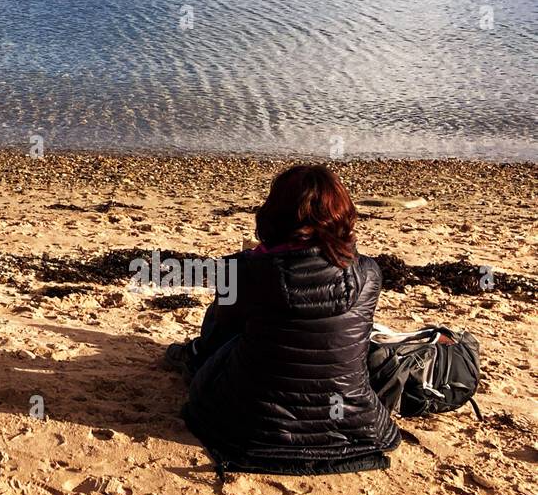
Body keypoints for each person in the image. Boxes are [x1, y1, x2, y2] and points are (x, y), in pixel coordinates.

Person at [166, 164, 400, 474]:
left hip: (251, 427)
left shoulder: (242, 270)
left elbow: (224, 328)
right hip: (349, 422)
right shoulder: (368, 273)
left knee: (224, 327)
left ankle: (191, 354)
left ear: (274, 213)